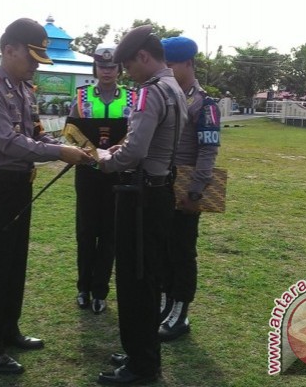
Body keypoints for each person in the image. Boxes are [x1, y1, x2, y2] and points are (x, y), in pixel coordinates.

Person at [0, 18, 92, 375]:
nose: (36, 64)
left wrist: (66, 146)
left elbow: (36, 134)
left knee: (14, 265)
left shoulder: (24, 89)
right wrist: (59, 154)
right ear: (8, 50)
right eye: (32, 57)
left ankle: (8, 330)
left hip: (19, 187)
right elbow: (7, 142)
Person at [95, 25, 187, 385]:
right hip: (159, 190)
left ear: (144, 58)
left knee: (135, 280)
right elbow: (144, 143)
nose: (127, 73)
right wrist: (124, 151)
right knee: (148, 277)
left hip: (141, 197)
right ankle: (140, 349)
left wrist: (103, 160)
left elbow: (135, 150)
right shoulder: (174, 87)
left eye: (129, 66)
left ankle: (142, 365)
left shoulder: (150, 93)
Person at [63, 44, 136, 314]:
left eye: (112, 66)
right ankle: (83, 287)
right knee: (85, 231)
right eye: (102, 67)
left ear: (119, 69)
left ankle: (100, 291)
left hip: (116, 171)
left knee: (110, 234)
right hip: (87, 171)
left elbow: (135, 131)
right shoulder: (81, 97)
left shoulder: (131, 98)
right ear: (96, 68)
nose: (107, 71)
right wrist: (93, 154)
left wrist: (115, 152)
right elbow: (70, 129)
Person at [157, 36, 220, 342]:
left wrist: (195, 191)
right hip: (161, 184)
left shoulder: (204, 104)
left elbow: (208, 151)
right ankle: (166, 302)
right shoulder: (166, 95)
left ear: (188, 63)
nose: (166, 70)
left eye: (170, 64)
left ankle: (180, 312)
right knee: (163, 249)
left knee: (182, 250)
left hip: (185, 188)